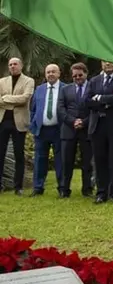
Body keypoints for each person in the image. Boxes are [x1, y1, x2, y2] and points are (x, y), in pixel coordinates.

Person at [86, 61, 113, 203]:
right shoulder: (94, 80)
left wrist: (99, 98)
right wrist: (110, 100)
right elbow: (87, 101)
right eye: (104, 61)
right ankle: (101, 193)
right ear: (101, 64)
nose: (107, 64)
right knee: (100, 160)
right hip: (98, 125)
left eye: (110, 61)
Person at [28, 64, 65, 196]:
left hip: (59, 130)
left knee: (60, 160)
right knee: (39, 159)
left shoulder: (65, 88)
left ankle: (62, 188)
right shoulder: (39, 89)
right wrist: (33, 123)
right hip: (41, 130)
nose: (50, 74)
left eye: (53, 72)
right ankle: (38, 188)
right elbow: (33, 109)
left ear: (59, 73)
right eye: (48, 72)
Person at [0, 58, 34, 194]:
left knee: (18, 155)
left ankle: (18, 187)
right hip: (3, 121)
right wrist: (14, 100)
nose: (12, 66)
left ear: (21, 66)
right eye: (10, 65)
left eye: (15, 64)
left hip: (19, 122)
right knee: (0, 154)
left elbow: (25, 98)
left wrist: (5, 98)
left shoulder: (28, 81)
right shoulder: (2, 81)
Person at [60, 63, 92, 197]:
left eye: (80, 75)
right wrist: (73, 121)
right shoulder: (65, 89)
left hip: (87, 129)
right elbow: (61, 109)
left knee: (87, 162)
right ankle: (64, 190)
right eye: (74, 76)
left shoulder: (93, 87)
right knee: (66, 162)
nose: (77, 78)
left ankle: (87, 189)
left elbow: (95, 109)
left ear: (86, 73)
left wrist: (83, 122)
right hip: (69, 129)